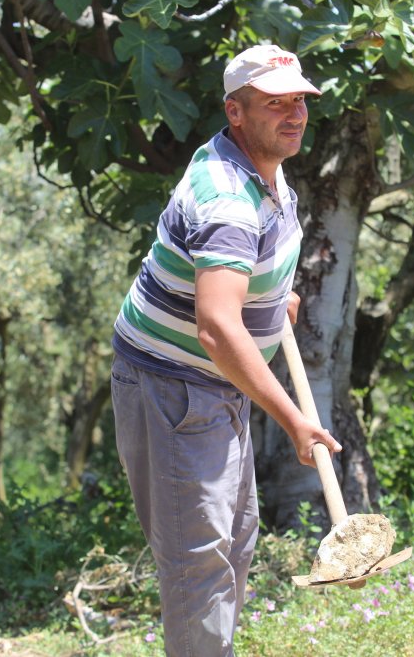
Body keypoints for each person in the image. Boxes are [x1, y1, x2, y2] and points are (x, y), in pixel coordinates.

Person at [110, 44, 343, 657]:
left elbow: (238, 277)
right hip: (175, 384)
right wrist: (295, 420)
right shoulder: (225, 200)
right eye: (275, 104)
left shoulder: (262, 165)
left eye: (300, 101)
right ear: (234, 112)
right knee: (200, 559)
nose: (294, 115)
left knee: (234, 540)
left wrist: (273, 299)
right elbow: (216, 328)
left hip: (215, 380)